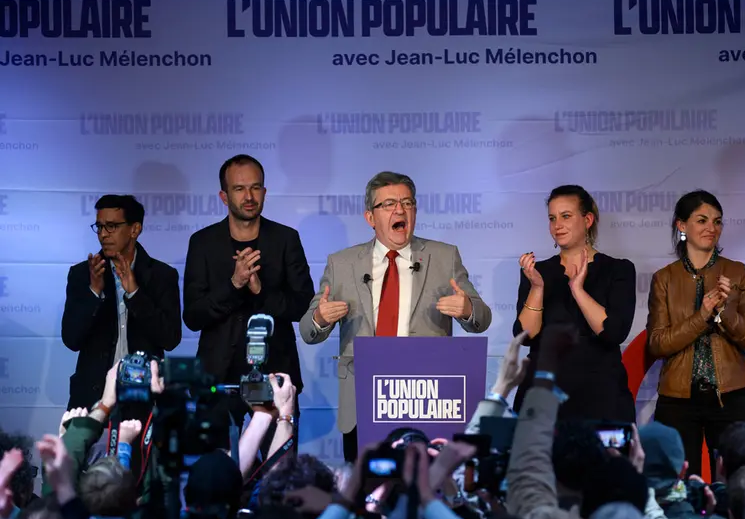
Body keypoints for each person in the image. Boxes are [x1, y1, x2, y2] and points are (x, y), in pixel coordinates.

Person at [298, 171, 492, 462]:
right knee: (365, 494)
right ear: (370, 217)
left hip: (427, 398)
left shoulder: (444, 257)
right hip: (364, 399)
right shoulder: (342, 264)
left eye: (407, 203)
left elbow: (483, 318)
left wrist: (467, 310)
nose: (400, 210)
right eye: (388, 204)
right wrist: (320, 319)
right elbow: (307, 331)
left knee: (427, 488)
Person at [183, 154, 315, 426]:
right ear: (223, 196)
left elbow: (302, 305)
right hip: (217, 379)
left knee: (277, 467)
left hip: (275, 376)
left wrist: (260, 292)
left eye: (255, 187)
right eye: (239, 189)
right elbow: (193, 316)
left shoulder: (285, 239)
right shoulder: (203, 243)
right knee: (217, 467)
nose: (249, 196)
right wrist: (234, 285)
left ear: (264, 192)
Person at [647, 189, 745, 479]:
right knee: (678, 486)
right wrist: (703, 316)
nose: (711, 228)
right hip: (677, 399)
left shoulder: (737, 273)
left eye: (717, 221)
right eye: (702, 220)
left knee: (738, 482)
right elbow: (658, 344)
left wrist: (724, 313)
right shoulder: (665, 278)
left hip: (730, 396)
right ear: (681, 226)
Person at [513, 185, 636, 422]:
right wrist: (537, 288)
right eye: (552, 218)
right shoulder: (537, 272)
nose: (557, 225)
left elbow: (613, 332)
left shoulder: (618, 269)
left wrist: (577, 289)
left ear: (588, 219)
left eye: (566, 216)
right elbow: (525, 335)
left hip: (600, 393)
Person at [62, 195, 181, 410]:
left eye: (112, 226)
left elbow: (170, 339)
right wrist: (94, 292)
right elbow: (71, 340)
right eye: (99, 227)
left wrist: (135, 294)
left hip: (143, 396)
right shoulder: (82, 274)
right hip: (91, 397)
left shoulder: (162, 276)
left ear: (135, 229)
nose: (103, 234)